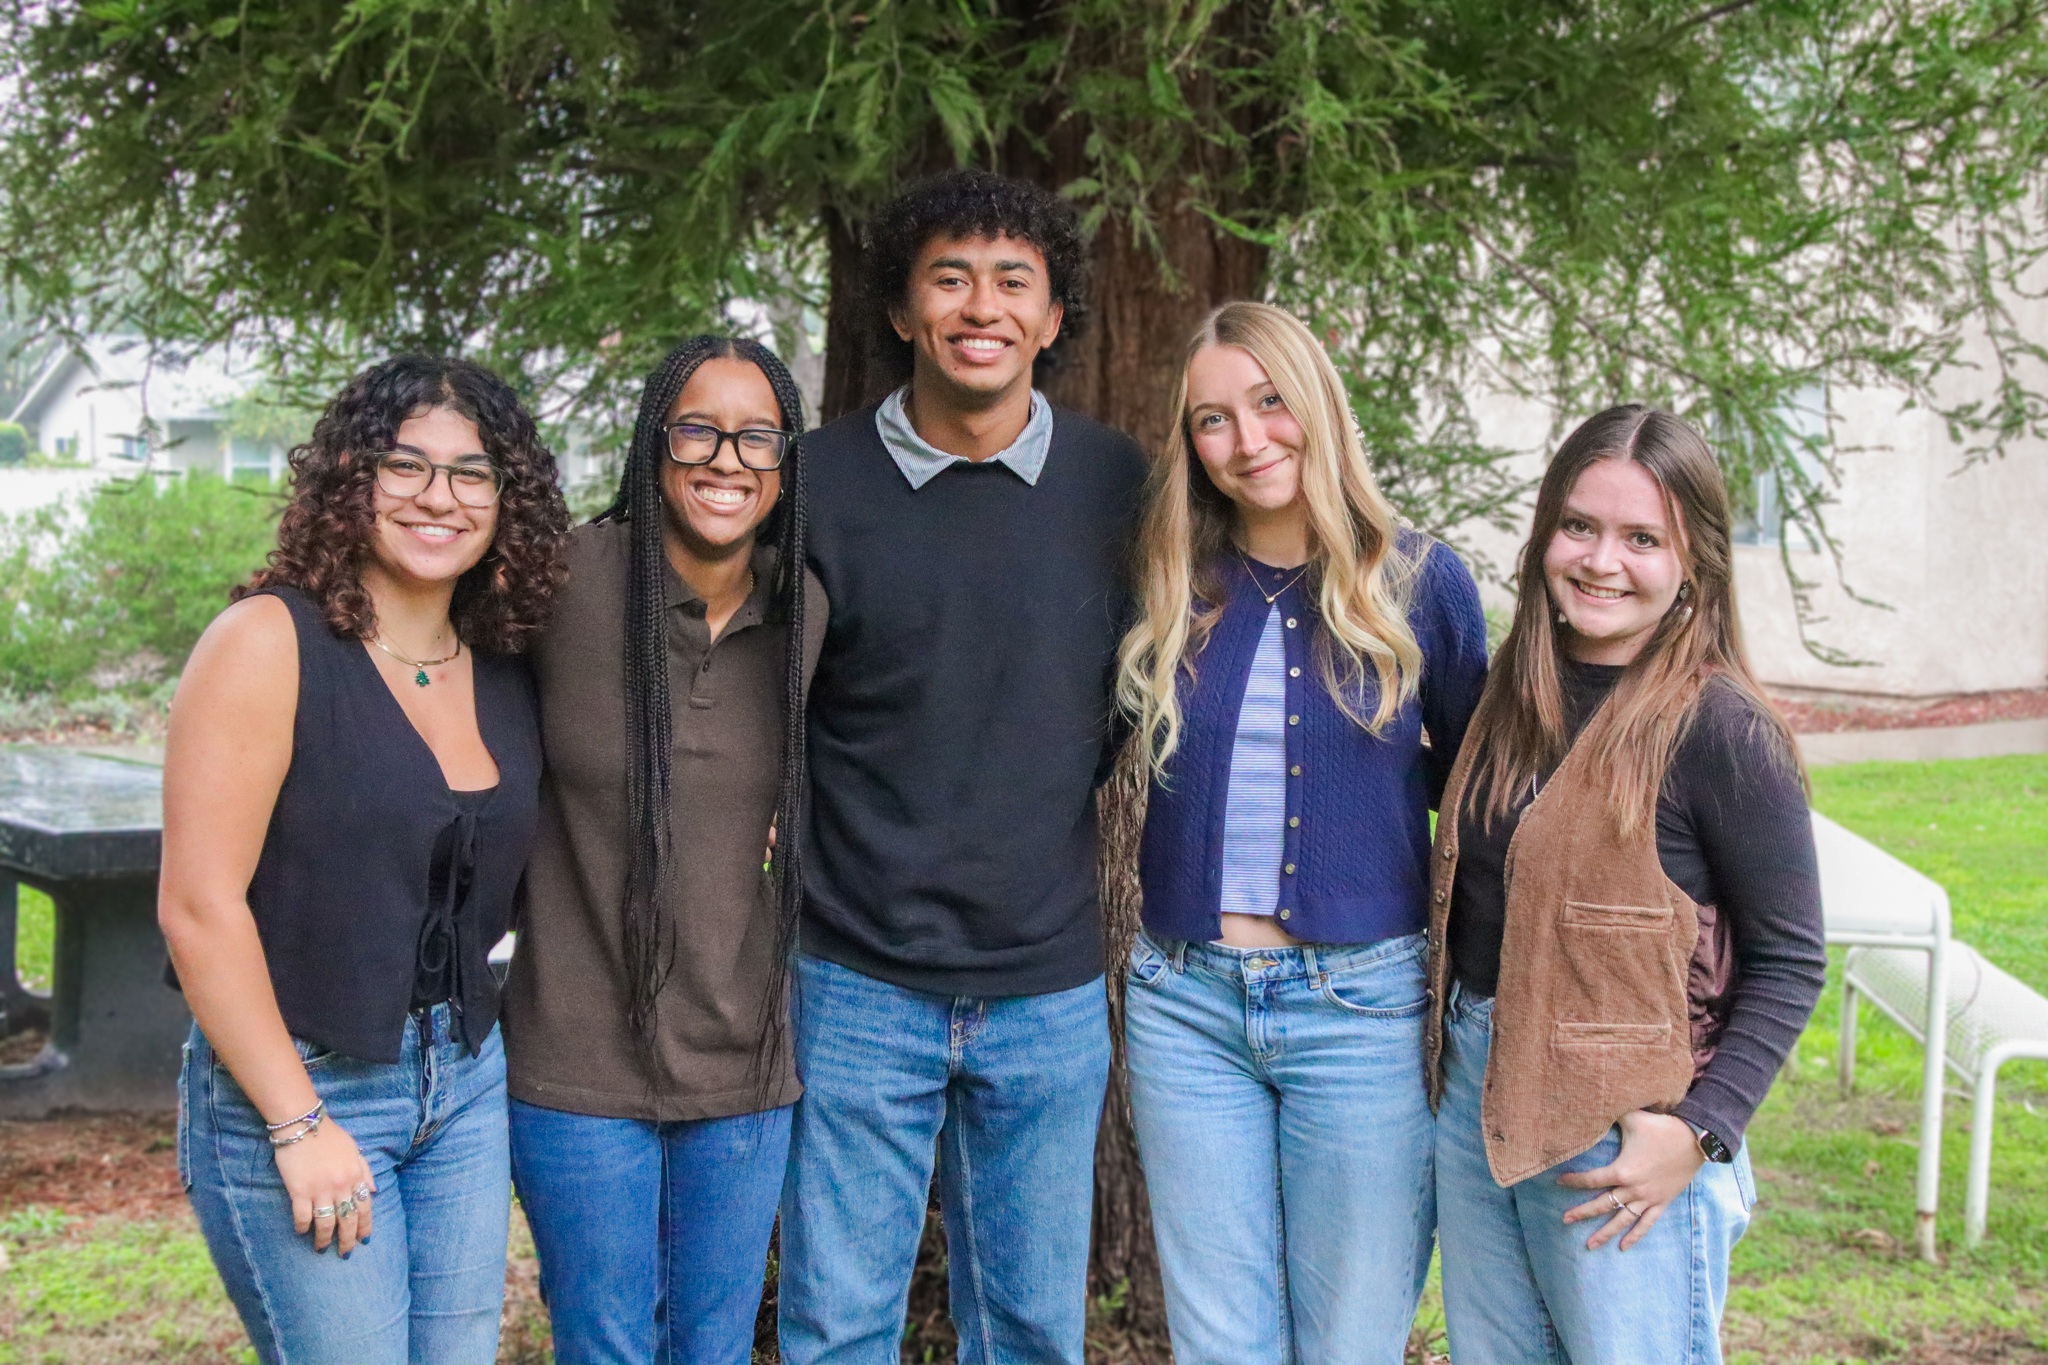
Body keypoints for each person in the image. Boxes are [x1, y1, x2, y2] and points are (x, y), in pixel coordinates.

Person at [776, 167, 1147, 1365]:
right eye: (947, 278)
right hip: (851, 978)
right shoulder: (809, 482)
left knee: (1034, 1328)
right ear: (900, 312)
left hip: (1044, 983)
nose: (977, 306)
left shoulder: (1121, 489)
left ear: (1048, 319)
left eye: (1010, 282)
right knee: (837, 1324)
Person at [160, 356, 568, 1365]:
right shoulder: (268, 641)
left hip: (465, 1087)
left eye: (472, 473)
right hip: (301, 1084)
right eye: (406, 465)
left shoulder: (508, 664)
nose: (440, 498)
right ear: (351, 477)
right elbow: (199, 906)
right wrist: (298, 1127)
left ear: (504, 500)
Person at [1113, 300, 1489, 1363]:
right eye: (1211, 420)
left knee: (1347, 1342)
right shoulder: (1173, 587)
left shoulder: (1420, 584)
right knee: (1219, 1344)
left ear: (1314, 405)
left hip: (1360, 1009)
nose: (1245, 440)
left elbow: (1482, 800)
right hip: (1184, 1008)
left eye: (1268, 403)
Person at [1426, 405, 1827, 1364]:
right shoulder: (1507, 695)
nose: (1603, 560)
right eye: (1580, 526)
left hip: (1619, 1139)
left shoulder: (1721, 727)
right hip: (1475, 1100)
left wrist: (1702, 1129)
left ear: (1695, 562)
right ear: (1544, 537)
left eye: (1642, 538)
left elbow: (1791, 958)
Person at [501, 335, 822, 1365]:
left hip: (744, 1058)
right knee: (602, 1343)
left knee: (715, 1345)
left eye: (755, 438)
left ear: (782, 465)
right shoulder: (564, 580)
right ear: (655, 441)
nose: (726, 459)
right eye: (699, 428)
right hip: (575, 1056)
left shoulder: (805, 611)